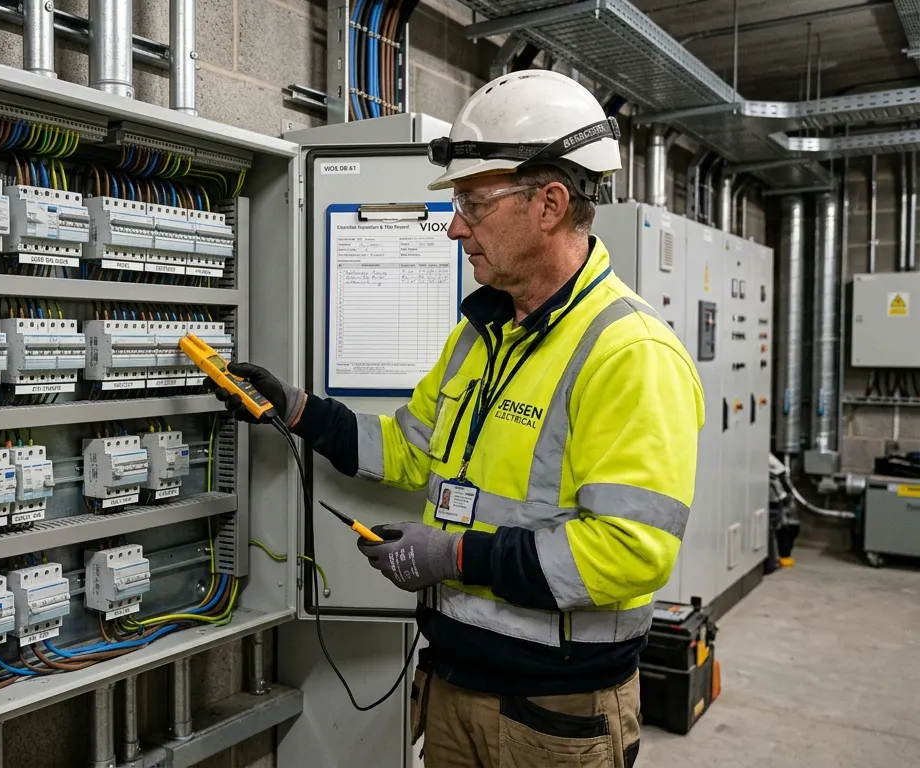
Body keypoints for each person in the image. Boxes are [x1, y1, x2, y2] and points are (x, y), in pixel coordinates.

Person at [211, 70, 704, 768]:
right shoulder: (481, 334)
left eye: (473, 203)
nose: (454, 227)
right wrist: (295, 410)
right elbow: (411, 448)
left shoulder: (629, 352)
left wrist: (455, 556)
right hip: (454, 683)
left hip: (553, 713)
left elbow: (630, 550)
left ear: (550, 204)